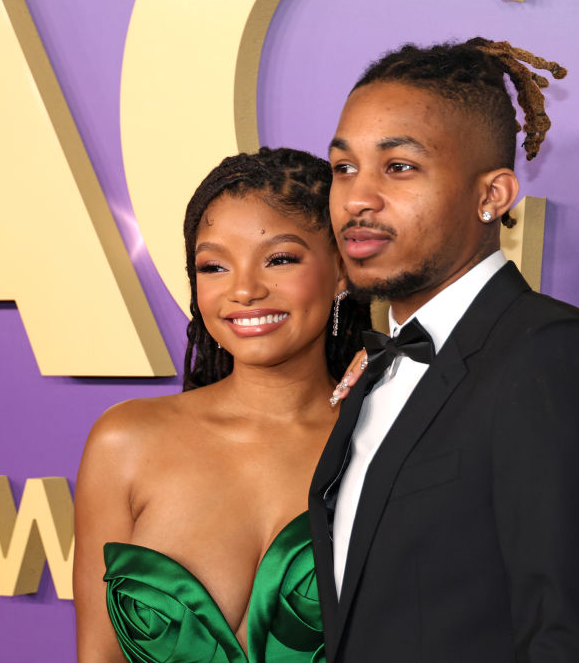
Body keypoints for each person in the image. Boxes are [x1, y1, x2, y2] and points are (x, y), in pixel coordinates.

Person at [308, 38, 579, 662]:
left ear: (492, 196)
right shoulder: (377, 367)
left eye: (398, 167)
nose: (356, 198)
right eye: (343, 168)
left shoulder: (557, 362)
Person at [73, 148, 368, 662]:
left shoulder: (388, 439)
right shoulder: (124, 443)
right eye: (214, 266)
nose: (245, 290)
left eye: (280, 258)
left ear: (342, 271)